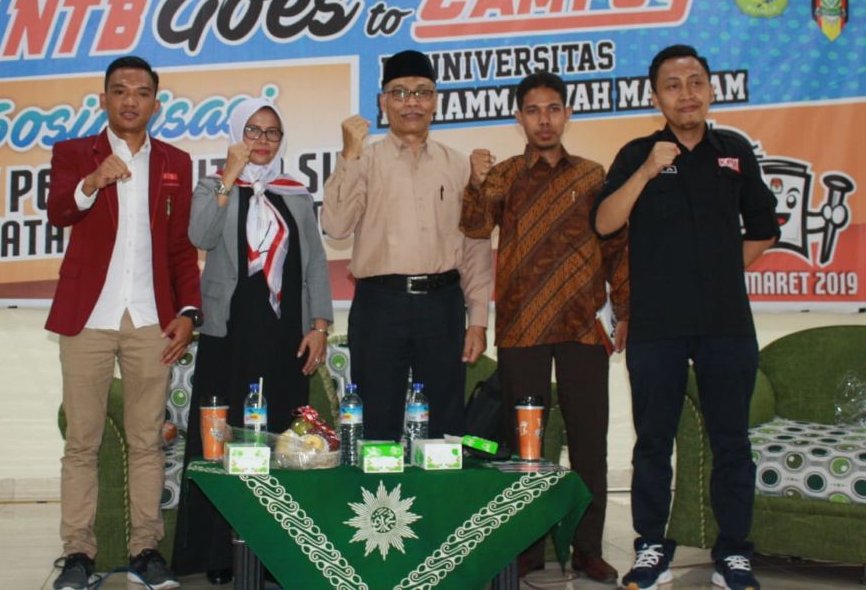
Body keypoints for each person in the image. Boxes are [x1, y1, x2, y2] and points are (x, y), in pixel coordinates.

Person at [592, 45, 779, 590]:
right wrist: (648, 170)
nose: (686, 94)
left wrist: (718, 270)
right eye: (672, 85)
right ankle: (652, 546)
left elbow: (764, 229)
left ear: (711, 89)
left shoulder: (734, 152)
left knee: (731, 442)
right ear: (656, 97)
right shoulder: (637, 153)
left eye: (695, 82)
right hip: (657, 326)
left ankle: (734, 552)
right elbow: (604, 223)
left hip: (726, 323)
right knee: (653, 441)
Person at [460, 71, 629, 583]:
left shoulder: (593, 175)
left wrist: (625, 310)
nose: (544, 120)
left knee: (589, 442)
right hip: (523, 325)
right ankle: (527, 545)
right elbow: (473, 227)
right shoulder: (504, 175)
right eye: (533, 111)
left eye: (553, 109)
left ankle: (587, 548)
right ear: (520, 119)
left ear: (567, 114)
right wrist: (475, 182)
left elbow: (616, 246)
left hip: (583, 326)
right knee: (524, 446)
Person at [46, 56, 200, 590]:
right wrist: (92, 182)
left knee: (147, 442)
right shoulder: (74, 153)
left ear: (156, 102)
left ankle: (146, 552)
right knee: (81, 442)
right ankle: (77, 555)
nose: (130, 100)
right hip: (88, 317)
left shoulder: (176, 161)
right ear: (104, 99)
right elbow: (59, 211)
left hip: (151, 319)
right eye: (119, 90)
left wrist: (188, 312)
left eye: (141, 92)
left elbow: (180, 248)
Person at [172, 97, 333, 585]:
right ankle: (220, 553)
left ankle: (276, 554)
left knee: (281, 439)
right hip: (230, 332)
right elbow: (201, 236)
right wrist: (229, 174)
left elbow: (315, 263)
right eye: (253, 131)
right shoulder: (213, 185)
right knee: (225, 438)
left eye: (272, 132)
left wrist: (320, 326)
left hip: (286, 334)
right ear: (237, 134)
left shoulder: (296, 193)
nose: (263, 141)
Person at [321, 49, 493, 443]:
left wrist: (478, 320)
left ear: (435, 101)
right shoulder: (363, 160)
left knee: (446, 428)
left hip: (443, 305)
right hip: (380, 305)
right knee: (376, 425)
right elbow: (335, 227)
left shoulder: (458, 165)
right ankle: (378, 485)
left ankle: (442, 486)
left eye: (422, 92)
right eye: (399, 93)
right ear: (383, 102)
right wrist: (348, 155)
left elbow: (475, 247)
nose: (411, 102)